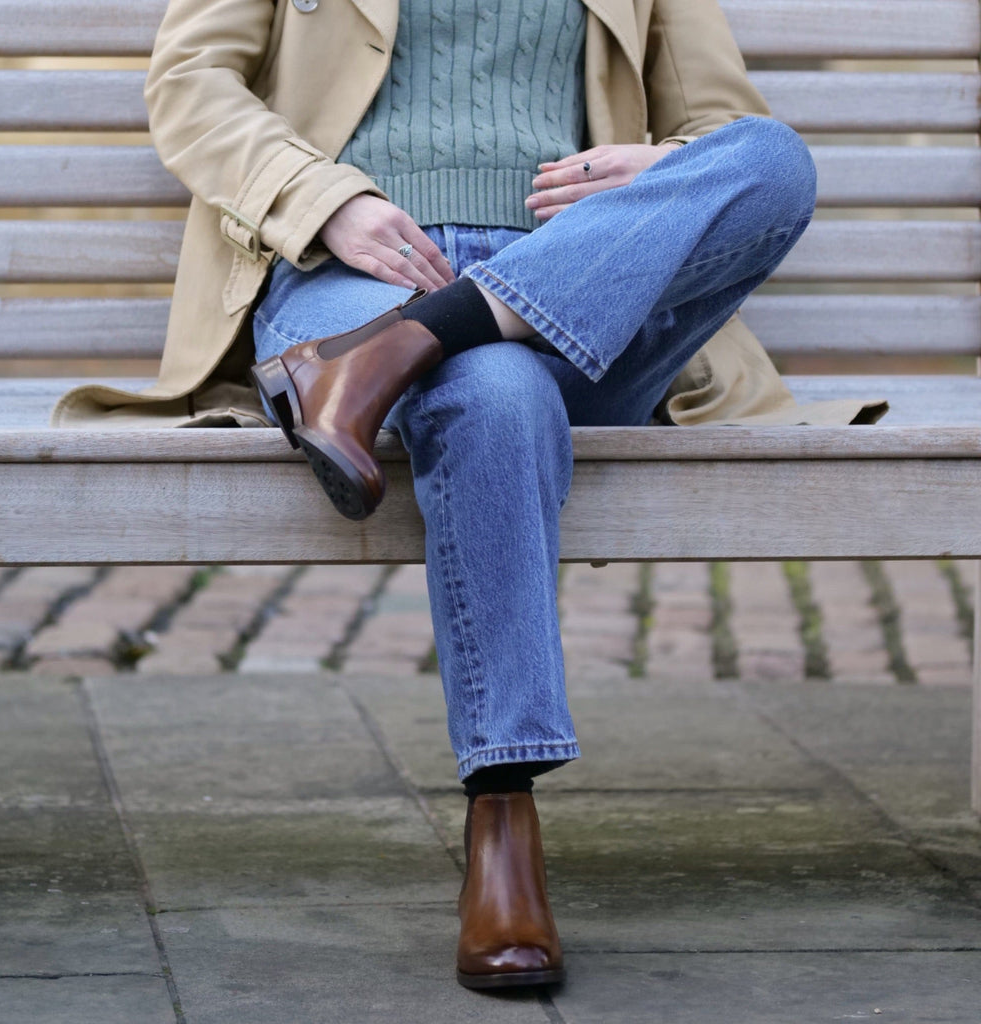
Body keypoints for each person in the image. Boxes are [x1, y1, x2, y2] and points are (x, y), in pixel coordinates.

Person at [57, 0, 824, 991]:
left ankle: (404, 348)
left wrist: (656, 170)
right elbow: (190, 82)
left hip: (587, 283)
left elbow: (721, 129)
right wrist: (323, 199)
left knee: (775, 159)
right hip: (351, 276)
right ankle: (504, 814)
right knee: (493, 387)